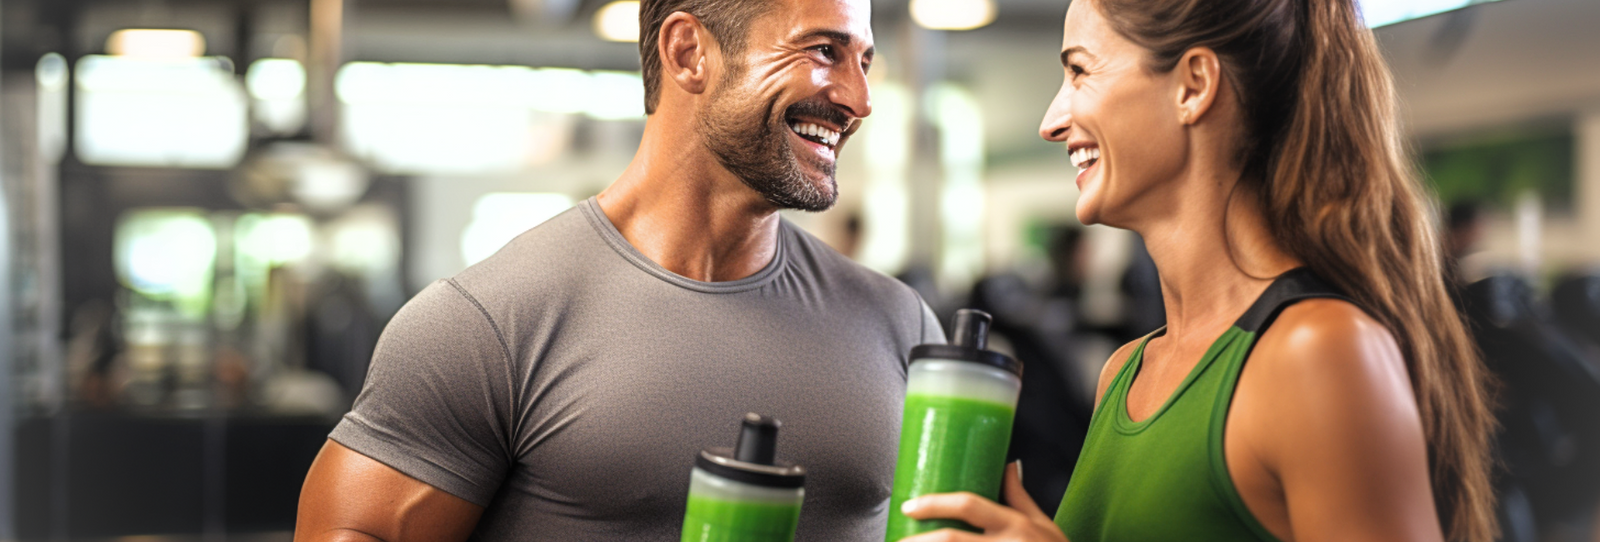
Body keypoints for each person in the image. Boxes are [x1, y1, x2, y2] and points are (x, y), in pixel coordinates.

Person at [295, 0, 944, 539]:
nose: (859, 100)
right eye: (823, 51)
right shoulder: (488, 324)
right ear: (689, 52)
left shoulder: (899, 323)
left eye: (864, 62)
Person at [895, 0, 1498, 541]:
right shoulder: (1125, 373)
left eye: (1079, 70)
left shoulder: (1318, 354)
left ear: (1194, 85)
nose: (1051, 120)